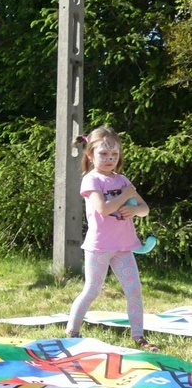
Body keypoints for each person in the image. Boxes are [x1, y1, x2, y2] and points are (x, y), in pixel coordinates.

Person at [65, 126, 158, 352]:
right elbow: (103, 209)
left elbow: (144, 208)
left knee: (134, 290)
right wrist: (126, 196)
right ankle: (72, 331)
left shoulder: (122, 179)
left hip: (124, 247)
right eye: (103, 155)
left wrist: (134, 211)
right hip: (99, 247)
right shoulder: (91, 180)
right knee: (92, 289)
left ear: (119, 156)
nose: (109, 159)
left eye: (114, 155)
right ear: (90, 155)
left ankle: (139, 337)